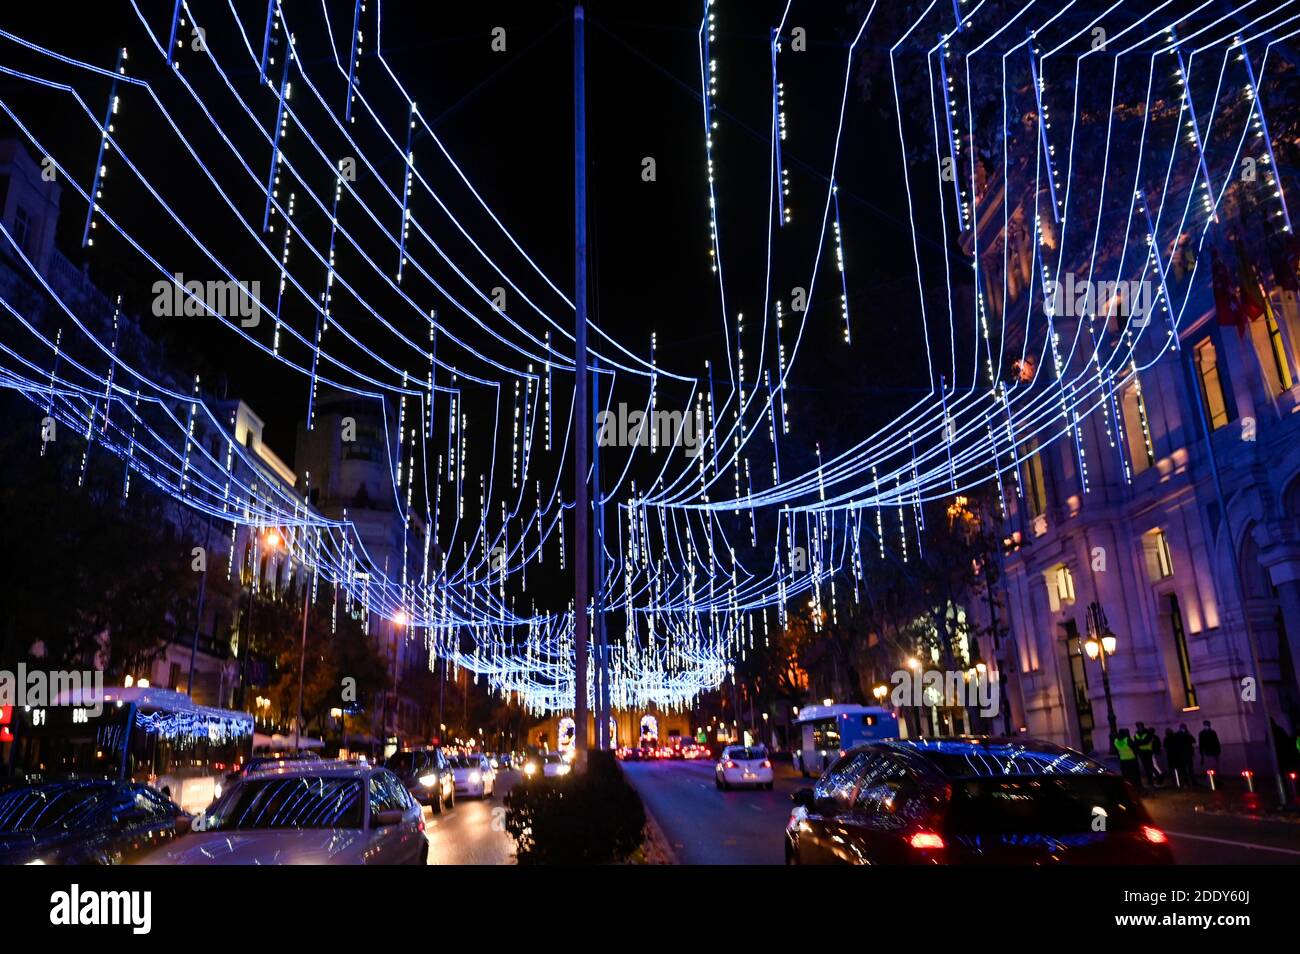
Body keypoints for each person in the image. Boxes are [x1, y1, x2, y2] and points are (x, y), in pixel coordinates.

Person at [1134, 721, 1161, 787]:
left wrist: (1139, 743)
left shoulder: (1147, 733)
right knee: (1146, 767)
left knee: (1150, 766)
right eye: (1138, 726)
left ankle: (1158, 777)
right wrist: (1140, 743)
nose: (1139, 727)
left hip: (1147, 751)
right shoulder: (1137, 734)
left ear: (1142, 726)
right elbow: (1136, 742)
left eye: (1140, 726)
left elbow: (1144, 742)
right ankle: (1151, 780)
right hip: (1141, 752)